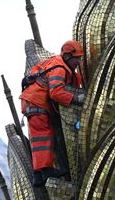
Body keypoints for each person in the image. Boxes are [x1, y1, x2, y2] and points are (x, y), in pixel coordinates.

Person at [20, 40, 86, 186]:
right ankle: (44, 171)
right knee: (43, 137)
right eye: (77, 58)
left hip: (32, 103)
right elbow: (56, 93)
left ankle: (39, 174)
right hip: (37, 104)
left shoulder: (58, 64)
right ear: (68, 56)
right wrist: (76, 98)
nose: (79, 62)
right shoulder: (60, 69)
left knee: (40, 138)